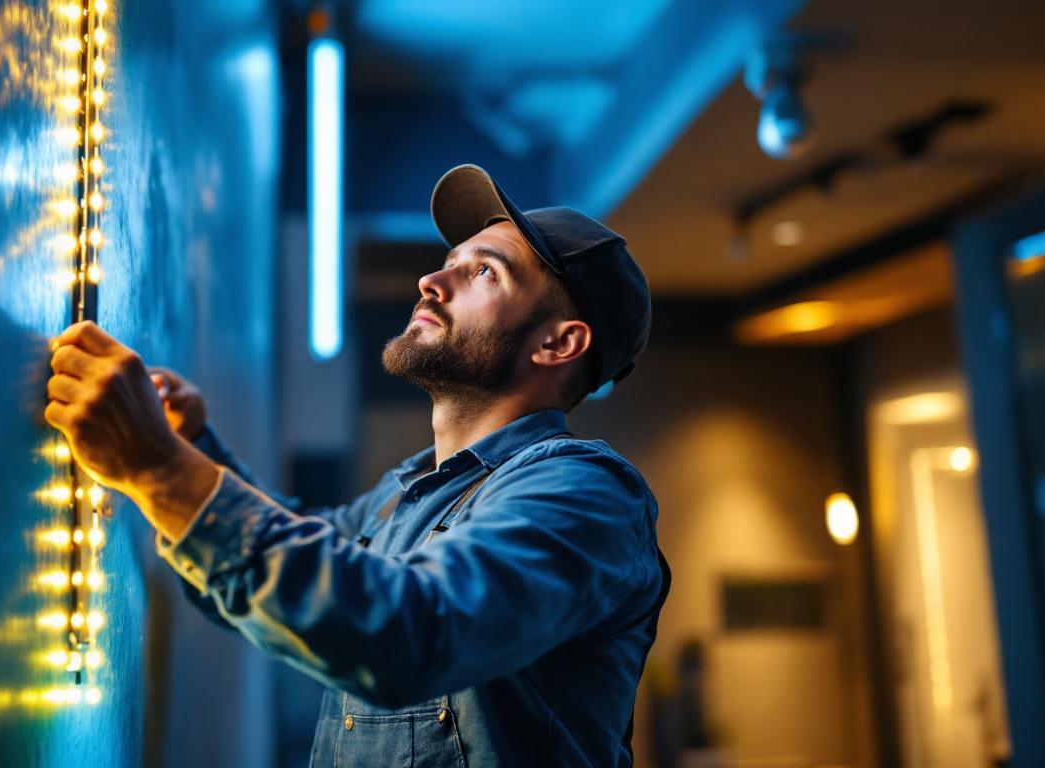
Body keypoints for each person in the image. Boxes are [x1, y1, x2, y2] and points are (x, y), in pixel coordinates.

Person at [45, 164, 670, 766]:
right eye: (449, 261)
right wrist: (191, 446)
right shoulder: (407, 493)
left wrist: (159, 470)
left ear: (557, 343)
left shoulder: (587, 493)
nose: (432, 280)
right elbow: (298, 566)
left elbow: (409, 632)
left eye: (484, 271)